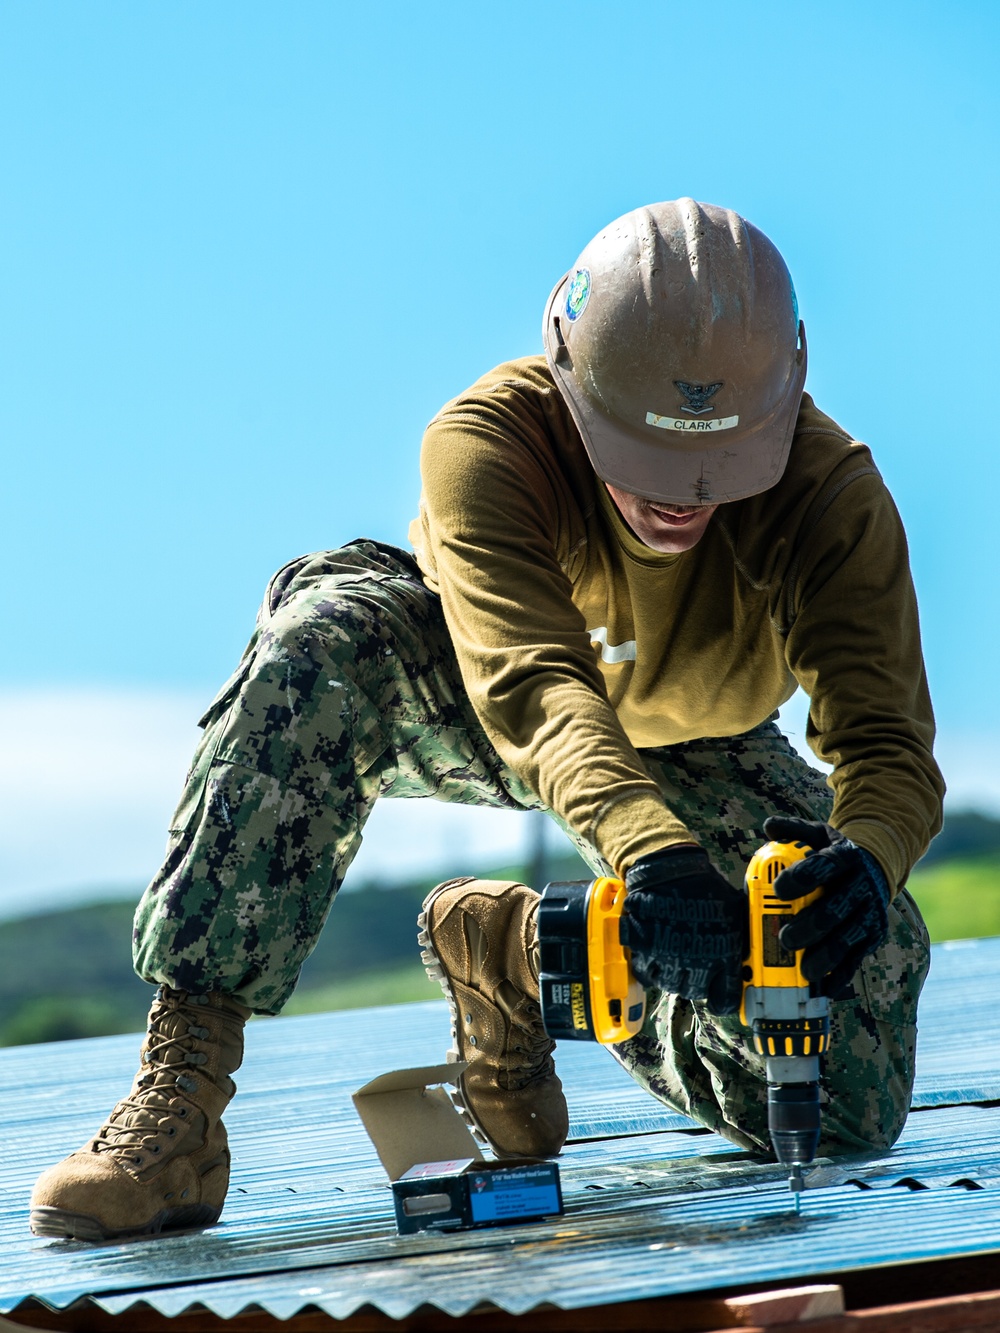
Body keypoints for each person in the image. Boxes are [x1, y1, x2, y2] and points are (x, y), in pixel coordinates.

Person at [30, 199, 943, 1242]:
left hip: (701, 741)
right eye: (641, 456)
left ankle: (526, 950)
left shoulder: (830, 494)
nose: (682, 499)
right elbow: (538, 687)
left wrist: (864, 862)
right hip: (477, 683)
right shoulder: (487, 442)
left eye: (718, 466)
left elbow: (886, 747)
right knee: (319, 644)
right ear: (571, 381)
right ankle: (180, 1105)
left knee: (851, 1101)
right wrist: (655, 855)